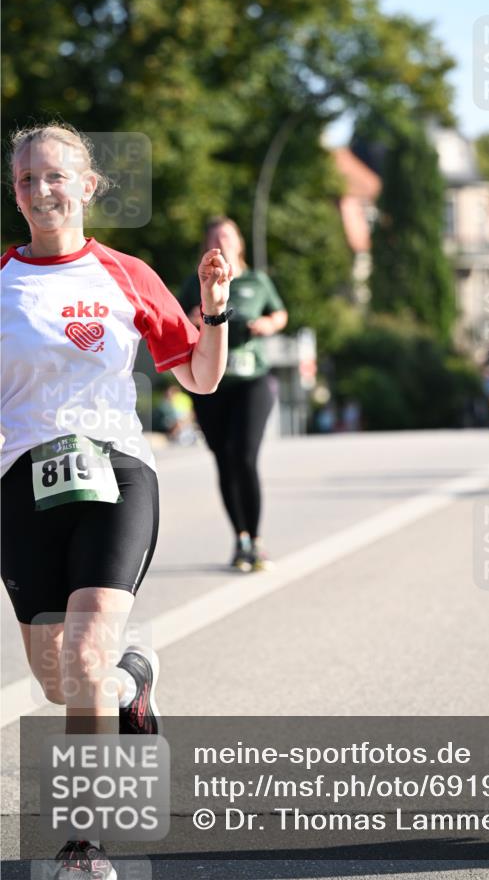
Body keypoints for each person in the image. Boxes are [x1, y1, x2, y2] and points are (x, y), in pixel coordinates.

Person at [1, 124, 233, 880]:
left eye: (56, 176)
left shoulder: (125, 274)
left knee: (81, 650)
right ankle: (133, 681)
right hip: (21, 483)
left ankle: (83, 845)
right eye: (27, 179)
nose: (42, 191)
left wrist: (213, 310)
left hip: (115, 473)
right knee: (63, 682)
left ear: (89, 186)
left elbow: (198, 376)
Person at [179, 218, 287, 572]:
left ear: (239, 242)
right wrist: (199, 316)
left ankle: (256, 540)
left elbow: (280, 313)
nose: (221, 241)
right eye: (214, 237)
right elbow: (177, 322)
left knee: (244, 454)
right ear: (206, 246)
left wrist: (268, 324)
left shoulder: (257, 281)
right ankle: (240, 538)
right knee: (224, 460)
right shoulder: (195, 282)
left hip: (251, 379)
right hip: (211, 386)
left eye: (227, 235)